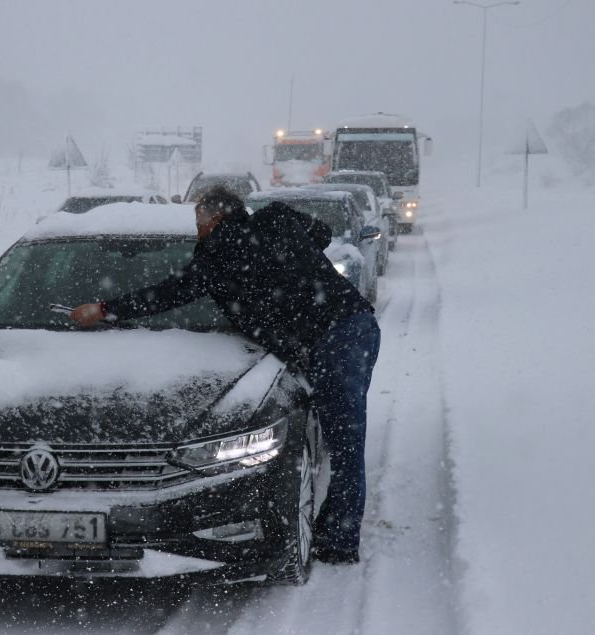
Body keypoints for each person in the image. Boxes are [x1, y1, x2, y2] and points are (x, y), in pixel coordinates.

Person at [70, 187, 380, 564]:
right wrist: (295, 265)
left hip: (337, 335)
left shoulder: (216, 258)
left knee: (345, 439)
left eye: (199, 222)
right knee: (344, 441)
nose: (197, 230)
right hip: (350, 326)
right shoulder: (276, 217)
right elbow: (321, 234)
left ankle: (340, 542)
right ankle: (336, 529)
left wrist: (105, 309)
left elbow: (167, 294)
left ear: (215, 219)